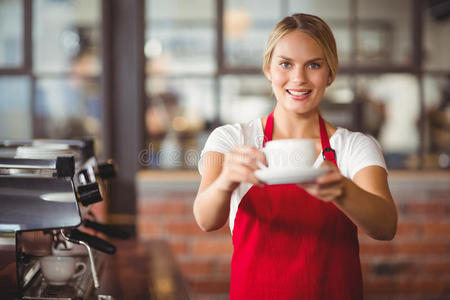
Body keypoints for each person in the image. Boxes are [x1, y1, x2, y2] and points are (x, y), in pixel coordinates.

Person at [193, 13, 397, 299]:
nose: (298, 78)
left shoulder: (355, 147)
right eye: (285, 64)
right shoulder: (231, 140)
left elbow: (386, 226)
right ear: (268, 69)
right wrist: (226, 179)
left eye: (313, 65)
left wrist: (342, 190)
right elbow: (205, 219)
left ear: (330, 73)